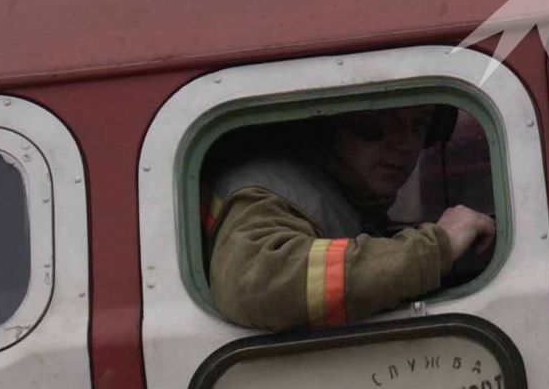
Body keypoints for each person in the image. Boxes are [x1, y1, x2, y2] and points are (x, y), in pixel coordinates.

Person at [205, 106, 495, 330]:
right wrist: (436, 248)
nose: (405, 144)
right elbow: (258, 286)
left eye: (418, 125)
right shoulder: (269, 190)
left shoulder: (348, 199)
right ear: (324, 129)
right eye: (372, 125)